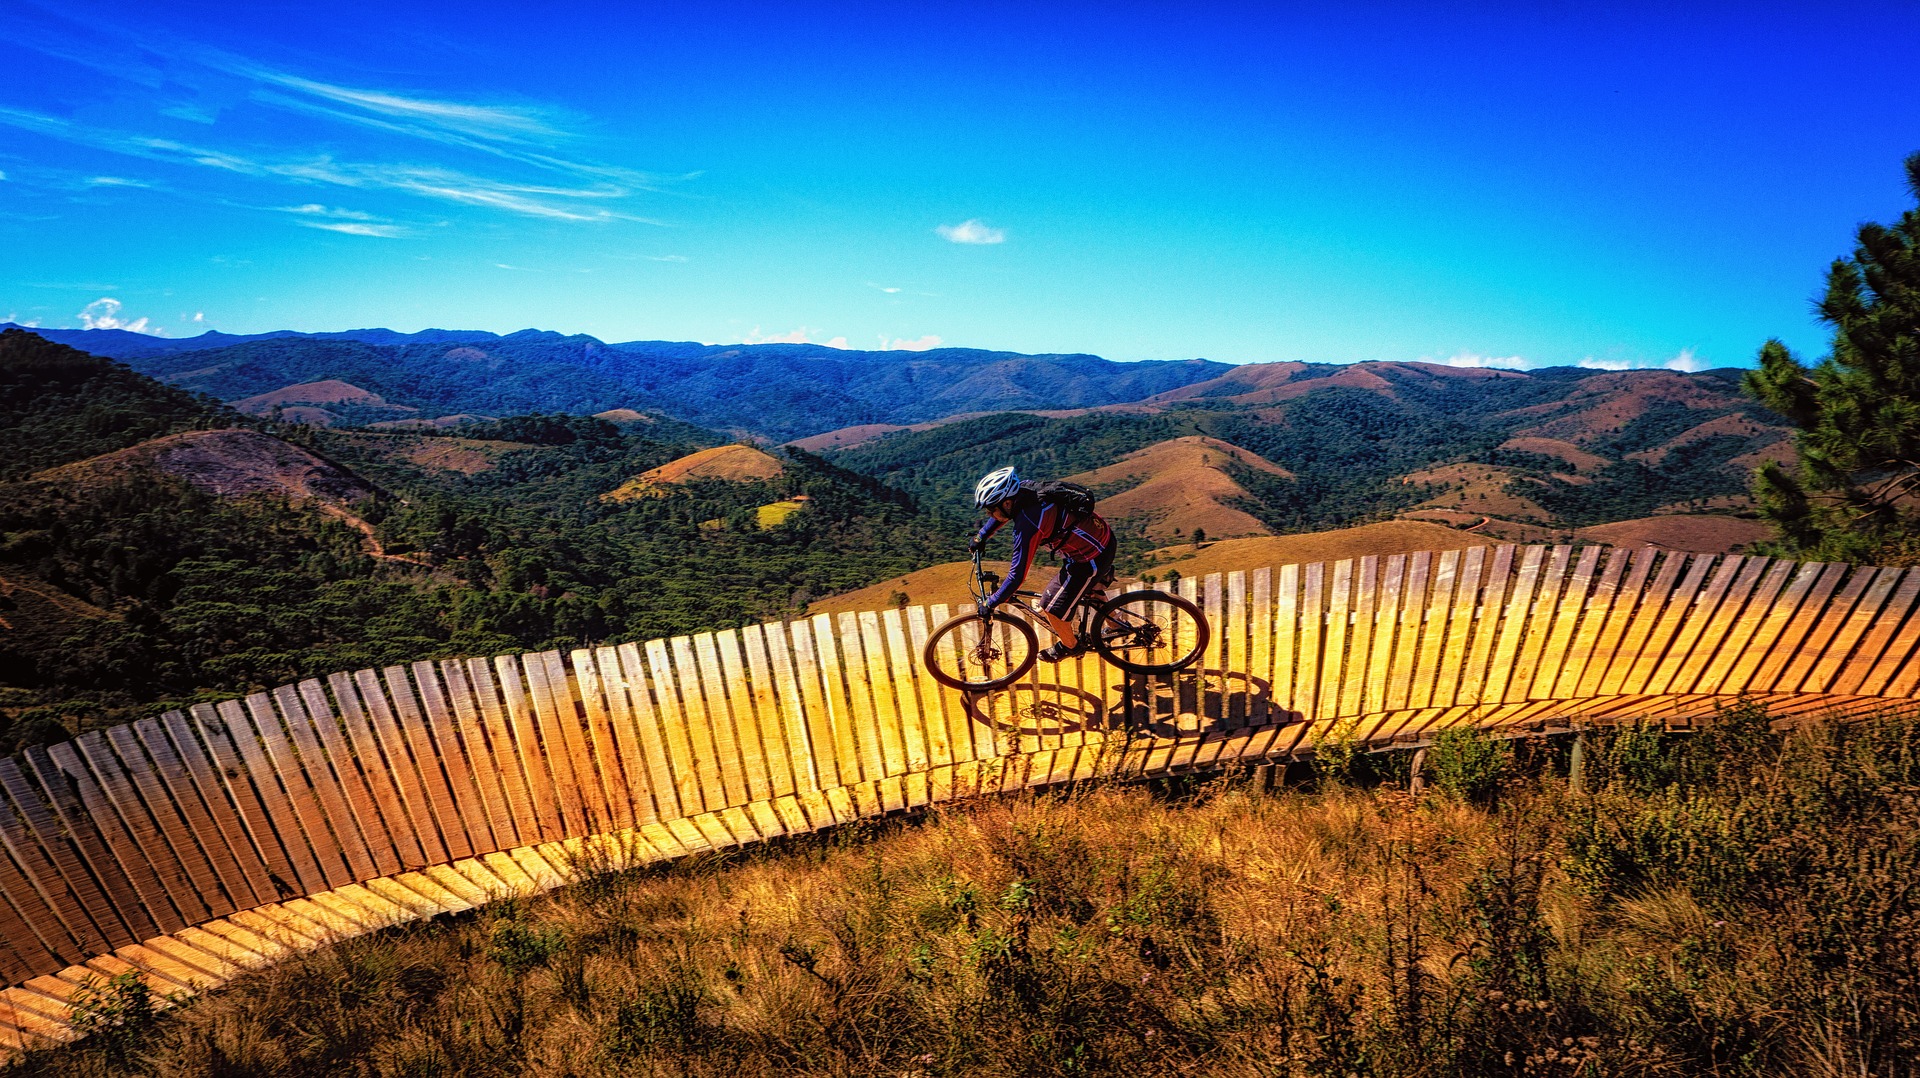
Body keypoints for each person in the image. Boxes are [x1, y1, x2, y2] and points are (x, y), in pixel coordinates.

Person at [969, 466, 1115, 662]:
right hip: (1100, 540)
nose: (989, 514)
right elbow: (1003, 514)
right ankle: (1119, 626)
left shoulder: (1029, 523)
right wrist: (982, 536)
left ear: (1007, 502)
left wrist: (992, 602)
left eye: (991, 509)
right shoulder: (1025, 490)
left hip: (1090, 558)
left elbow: (1017, 576)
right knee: (1089, 591)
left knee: (1050, 608)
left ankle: (1071, 646)